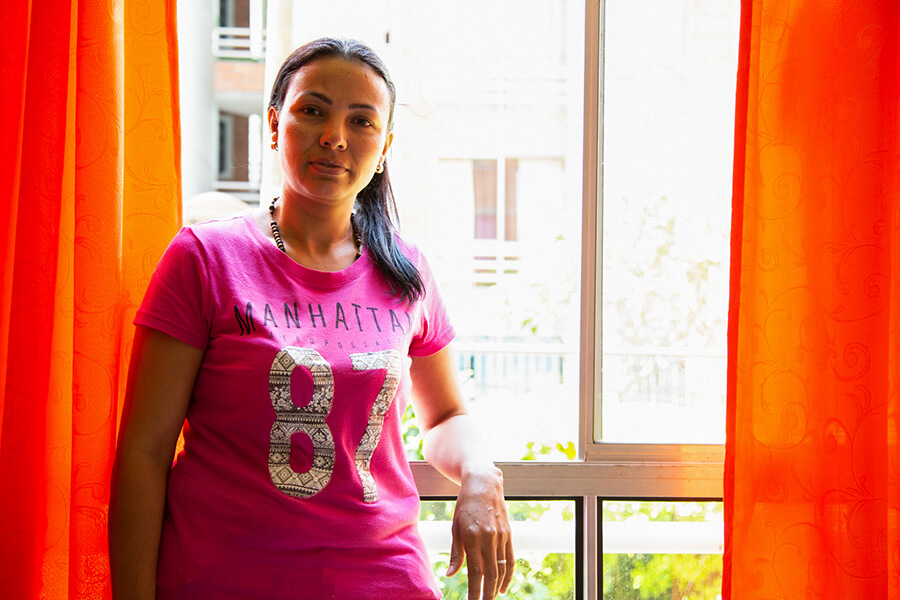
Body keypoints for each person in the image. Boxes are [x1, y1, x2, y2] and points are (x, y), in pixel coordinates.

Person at [108, 37, 513, 600]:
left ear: (385, 146)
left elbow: (444, 416)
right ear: (275, 125)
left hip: (385, 581)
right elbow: (144, 454)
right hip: (222, 581)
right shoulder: (204, 258)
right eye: (313, 110)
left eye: (362, 121)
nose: (334, 137)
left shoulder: (408, 269)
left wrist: (478, 472)